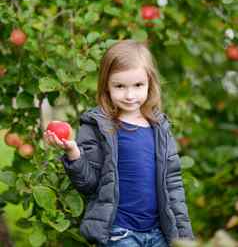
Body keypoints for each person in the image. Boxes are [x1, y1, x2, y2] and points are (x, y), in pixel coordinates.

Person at [44, 39, 194, 247]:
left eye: (138, 85)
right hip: (120, 233)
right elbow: (89, 185)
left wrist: (184, 237)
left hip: (158, 233)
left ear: (150, 83)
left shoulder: (159, 128)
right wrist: (74, 153)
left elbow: (173, 186)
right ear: (106, 85)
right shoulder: (98, 126)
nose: (130, 95)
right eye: (120, 86)